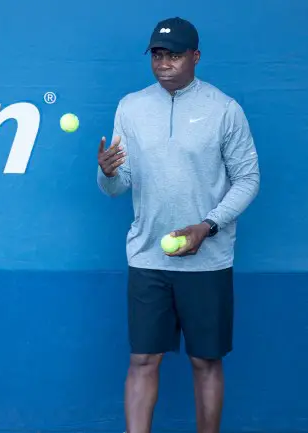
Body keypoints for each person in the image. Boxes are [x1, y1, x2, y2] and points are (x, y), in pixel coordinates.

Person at [96, 17, 260, 433]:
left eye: (174, 54)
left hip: (208, 262)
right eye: (157, 54)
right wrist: (108, 173)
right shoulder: (130, 107)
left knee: (206, 361)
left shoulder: (224, 109)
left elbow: (248, 180)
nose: (164, 62)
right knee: (142, 360)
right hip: (148, 257)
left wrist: (207, 226)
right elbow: (117, 187)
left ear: (195, 57)